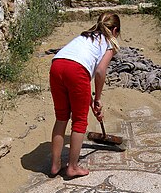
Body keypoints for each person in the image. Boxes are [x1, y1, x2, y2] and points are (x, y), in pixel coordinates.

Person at [49, 12, 121, 178]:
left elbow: (78, 74)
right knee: (80, 120)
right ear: (115, 30)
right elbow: (100, 71)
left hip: (57, 65)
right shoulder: (109, 43)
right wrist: (98, 98)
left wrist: (91, 101)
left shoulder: (85, 36)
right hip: (77, 70)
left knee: (61, 117)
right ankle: (72, 167)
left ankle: (55, 164)